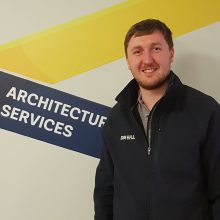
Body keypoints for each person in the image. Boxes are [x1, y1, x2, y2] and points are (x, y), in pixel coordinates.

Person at [93, 19, 220, 220]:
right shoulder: (116, 118)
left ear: (171, 54)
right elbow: (104, 192)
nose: (147, 59)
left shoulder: (205, 111)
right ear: (127, 61)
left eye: (156, 49)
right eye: (137, 52)